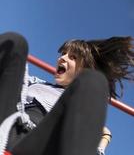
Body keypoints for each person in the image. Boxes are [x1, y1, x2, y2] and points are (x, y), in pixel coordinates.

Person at [0, 32, 133, 155]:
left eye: (73, 57)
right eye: (63, 53)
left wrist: (104, 137)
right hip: (7, 125)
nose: (61, 58)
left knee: (94, 80)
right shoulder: (36, 83)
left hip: (39, 145)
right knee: (16, 42)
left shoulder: (80, 100)